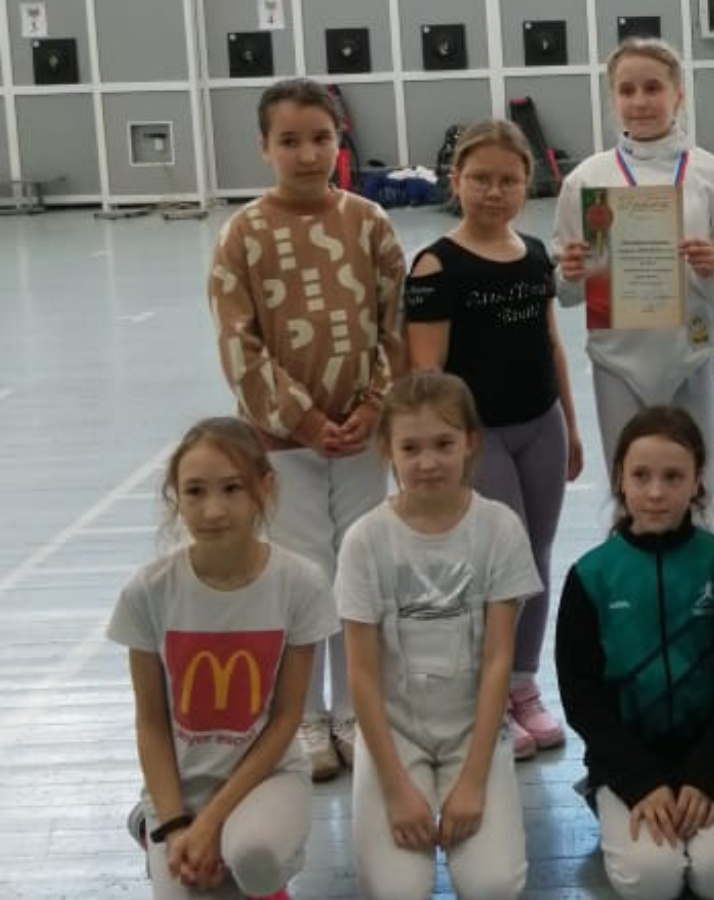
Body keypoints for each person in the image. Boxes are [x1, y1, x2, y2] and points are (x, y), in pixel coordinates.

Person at [209, 77, 406, 779]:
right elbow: (239, 344)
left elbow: (395, 322)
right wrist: (306, 419)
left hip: (362, 440)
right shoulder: (243, 234)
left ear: (338, 141)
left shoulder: (370, 222)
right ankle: (307, 716)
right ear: (264, 147)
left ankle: (354, 709)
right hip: (281, 446)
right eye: (289, 141)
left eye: (320, 138)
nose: (307, 154)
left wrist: (373, 407)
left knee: (357, 569)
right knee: (303, 575)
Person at [405, 118, 582, 759]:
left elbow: (551, 344)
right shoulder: (436, 266)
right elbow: (427, 374)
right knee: (495, 562)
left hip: (541, 425)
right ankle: (488, 691)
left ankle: (523, 684)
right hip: (481, 439)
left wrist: (571, 424)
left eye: (508, 180)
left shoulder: (535, 255)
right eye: (479, 178)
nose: (493, 191)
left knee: (536, 555)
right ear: (456, 180)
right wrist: (447, 450)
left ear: (526, 182)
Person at [111, 418, 336, 900]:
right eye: (195, 491)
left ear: (264, 488)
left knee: (252, 856)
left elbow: (286, 719)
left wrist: (211, 823)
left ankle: (255, 865)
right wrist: (176, 827)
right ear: (176, 497)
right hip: (179, 788)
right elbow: (151, 723)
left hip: (267, 780)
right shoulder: (147, 592)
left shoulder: (300, 584)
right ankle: (150, 826)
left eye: (232, 488)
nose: (213, 510)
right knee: (189, 878)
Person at [338, 372, 537, 900]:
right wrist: (395, 787)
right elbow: (361, 675)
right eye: (411, 447)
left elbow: (498, 660)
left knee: (493, 885)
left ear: (470, 442)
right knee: (398, 890)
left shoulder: (499, 529)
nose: (427, 462)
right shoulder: (365, 541)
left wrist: (473, 780)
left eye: (443, 444)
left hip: (473, 731)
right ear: (388, 449)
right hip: (395, 733)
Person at [555, 407, 714, 900]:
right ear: (619, 480)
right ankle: (605, 796)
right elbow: (582, 699)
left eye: (673, 477)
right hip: (628, 761)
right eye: (641, 476)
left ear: (697, 482)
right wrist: (639, 780)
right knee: (652, 880)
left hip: (711, 757)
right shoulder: (591, 576)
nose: (655, 492)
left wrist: (710, 775)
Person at [553, 38, 714, 498]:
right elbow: (566, 292)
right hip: (617, 362)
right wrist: (572, 273)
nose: (640, 102)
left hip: (692, 353)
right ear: (613, 98)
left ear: (679, 94)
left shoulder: (713, 175)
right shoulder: (586, 180)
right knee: (630, 489)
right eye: (627, 90)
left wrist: (712, 266)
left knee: (699, 487)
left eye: (653, 88)